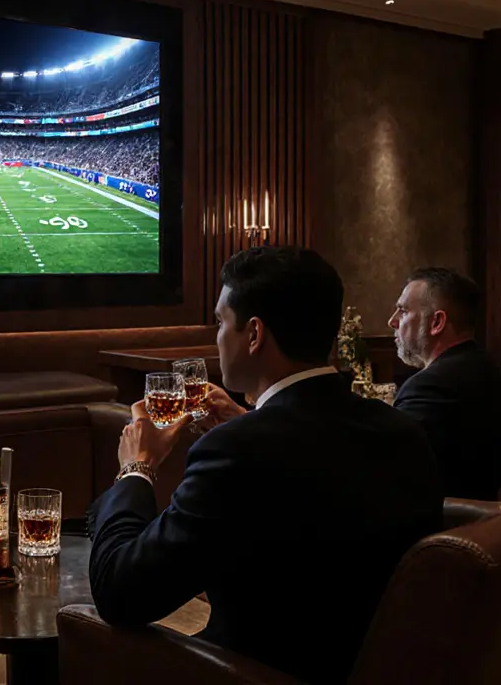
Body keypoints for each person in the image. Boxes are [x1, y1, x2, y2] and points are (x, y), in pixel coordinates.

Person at [89, 247, 442, 684]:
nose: (216, 336)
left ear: (254, 334)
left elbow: (120, 592)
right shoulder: (402, 432)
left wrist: (137, 468)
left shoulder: (237, 453)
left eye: (220, 322)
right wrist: (252, 421)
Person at [389, 267, 501, 500]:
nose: (392, 321)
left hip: (455, 524)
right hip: (495, 521)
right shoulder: (485, 369)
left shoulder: (432, 385)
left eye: (402, 311)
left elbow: (395, 474)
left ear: (437, 322)